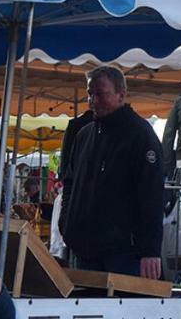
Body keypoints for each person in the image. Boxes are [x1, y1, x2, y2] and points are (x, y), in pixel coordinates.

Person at [59, 66, 165, 279]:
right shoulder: (83, 135)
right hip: (85, 250)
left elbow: (152, 195)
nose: (93, 100)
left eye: (100, 94)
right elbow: (70, 183)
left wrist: (150, 250)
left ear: (121, 95)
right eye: (90, 94)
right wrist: (67, 223)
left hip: (125, 253)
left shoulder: (141, 135)